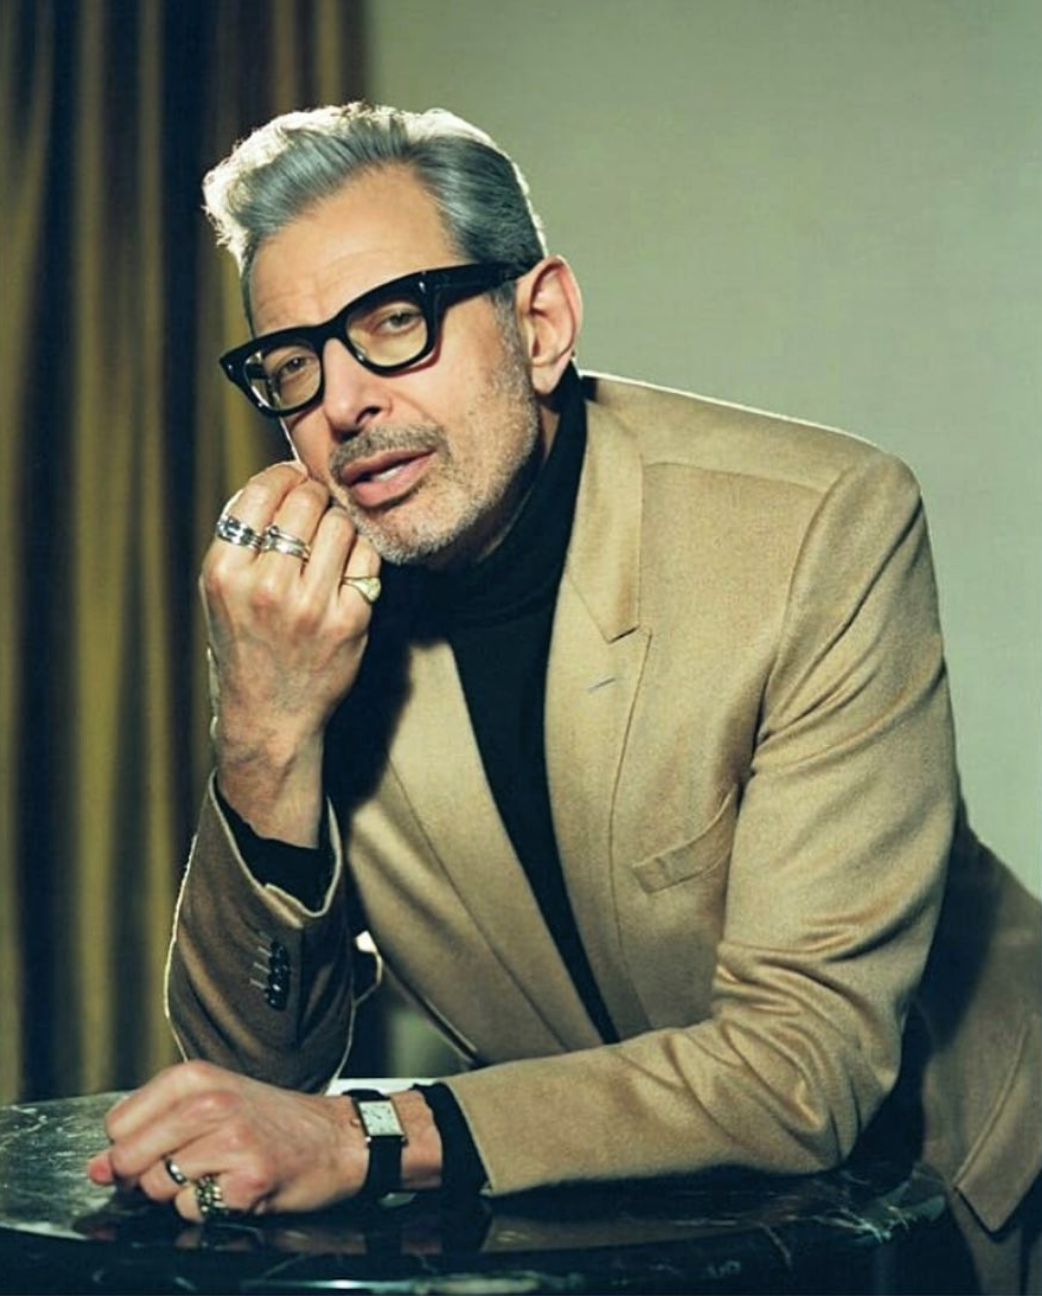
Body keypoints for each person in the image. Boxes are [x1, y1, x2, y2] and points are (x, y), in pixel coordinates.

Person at [87, 103, 1040, 1293]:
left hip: (944, 1201)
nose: (342, 405)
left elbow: (804, 1067)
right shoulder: (309, 608)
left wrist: (371, 1132)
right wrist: (262, 731)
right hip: (607, 1220)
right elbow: (253, 1083)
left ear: (538, 325)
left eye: (395, 322)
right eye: (292, 364)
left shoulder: (817, 527)